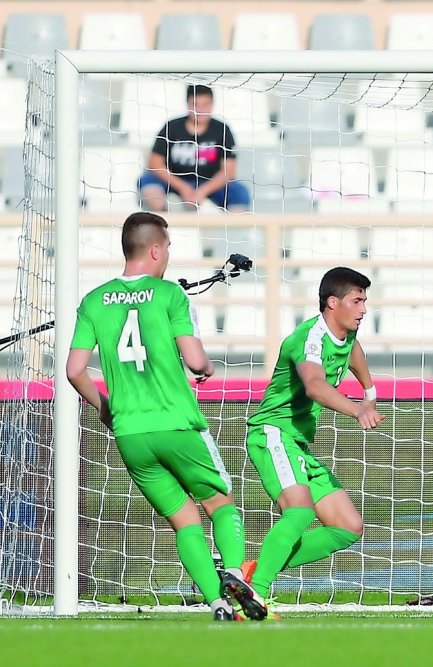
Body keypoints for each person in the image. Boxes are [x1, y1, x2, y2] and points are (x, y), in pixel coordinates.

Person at [65, 212, 265, 621]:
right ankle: (232, 573)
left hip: (131, 435)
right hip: (177, 424)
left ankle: (218, 604)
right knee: (221, 504)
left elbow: (73, 371)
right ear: (156, 249)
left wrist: (106, 410)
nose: (169, 255)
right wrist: (206, 367)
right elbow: (194, 360)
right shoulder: (170, 294)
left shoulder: (92, 301)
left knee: (184, 519)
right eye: (169, 247)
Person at [241, 267, 382, 614]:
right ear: (333, 302)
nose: (364, 309)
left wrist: (370, 391)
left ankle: (251, 573)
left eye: (365, 300)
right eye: (357, 300)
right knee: (300, 511)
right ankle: (252, 594)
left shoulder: (346, 333)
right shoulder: (310, 339)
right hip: (273, 433)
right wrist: (358, 410)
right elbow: (315, 386)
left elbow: (354, 352)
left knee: (348, 526)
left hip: (297, 443)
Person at [138, 85, 250, 213]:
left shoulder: (222, 130)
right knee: (148, 182)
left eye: (205, 104)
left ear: (212, 104)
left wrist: (202, 191)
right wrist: (183, 187)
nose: (200, 110)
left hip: (209, 183)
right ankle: (163, 218)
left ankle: (233, 228)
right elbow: (155, 164)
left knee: (240, 192)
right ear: (188, 104)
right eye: (196, 104)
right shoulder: (172, 127)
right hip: (174, 181)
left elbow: (228, 172)